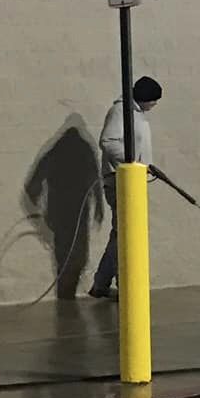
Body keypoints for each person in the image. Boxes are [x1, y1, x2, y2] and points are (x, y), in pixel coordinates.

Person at [88, 76, 160, 298]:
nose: (155, 105)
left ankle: (101, 284)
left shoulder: (136, 114)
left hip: (133, 181)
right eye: (153, 101)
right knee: (125, 233)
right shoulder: (121, 111)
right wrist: (132, 165)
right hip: (120, 180)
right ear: (144, 98)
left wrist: (145, 166)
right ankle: (124, 285)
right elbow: (108, 141)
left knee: (121, 233)